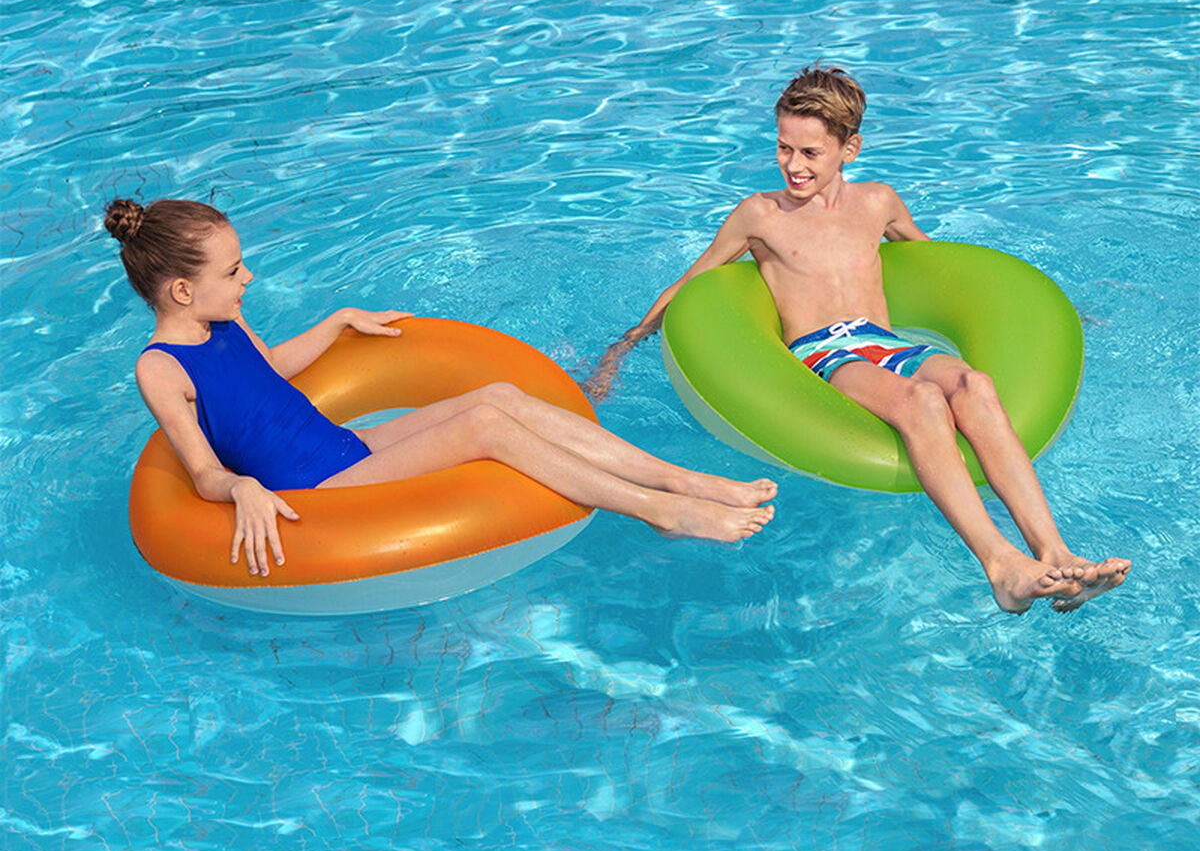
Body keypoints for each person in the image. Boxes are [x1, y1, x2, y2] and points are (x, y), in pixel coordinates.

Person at [585, 66, 1129, 614]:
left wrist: (1043, 311)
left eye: (810, 153)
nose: (793, 165)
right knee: (922, 401)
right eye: (783, 148)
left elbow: (944, 267)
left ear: (850, 149)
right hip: (822, 350)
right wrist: (624, 346)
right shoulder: (761, 215)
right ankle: (1001, 565)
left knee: (975, 384)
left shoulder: (877, 203)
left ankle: (1054, 550)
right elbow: (691, 282)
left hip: (885, 343)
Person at [106, 198, 776, 577]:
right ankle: (659, 510)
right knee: (484, 429)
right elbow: (202, 472)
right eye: (233, 271)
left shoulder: (226, 319)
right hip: (315, 488)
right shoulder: (159, 368)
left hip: (343, 446)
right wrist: (242, 489)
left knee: (499, 397)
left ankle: (681, 480)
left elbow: (271, 370)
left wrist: (338, 320)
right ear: (183, 290)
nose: (247, 278)